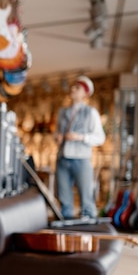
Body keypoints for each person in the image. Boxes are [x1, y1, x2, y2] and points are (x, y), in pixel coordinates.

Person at [54, 75, 106, 219]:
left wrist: (80, 137)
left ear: (85, 93)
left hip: (81, 159)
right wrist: (57, 137)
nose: (72, 89)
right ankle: (66, 227)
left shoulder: (91, 113)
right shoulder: (62, 112)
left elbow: (100, 137)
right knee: (64, 198)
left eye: (77, 88)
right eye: (73, 86)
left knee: (86, 198)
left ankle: (88, 228)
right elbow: (56, 133)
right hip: (62, 158)